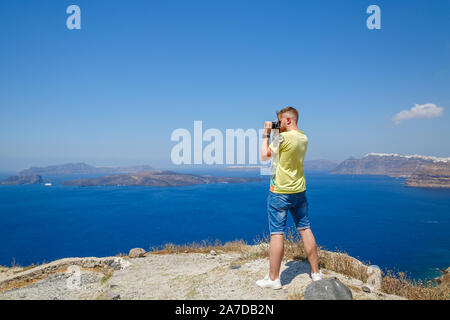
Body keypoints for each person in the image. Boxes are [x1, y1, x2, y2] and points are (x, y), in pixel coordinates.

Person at [256, 106, 322, 290]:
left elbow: (264, 156)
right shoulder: (304, 137)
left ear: (288, 120)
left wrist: (266, 134)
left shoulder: (282, 138)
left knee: (277, 233)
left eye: (280, 121)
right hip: (299, 191)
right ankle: (316, 273)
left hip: (280, 192)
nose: (280, 125)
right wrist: (277, 130)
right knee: (305, 229)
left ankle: (274, 279)